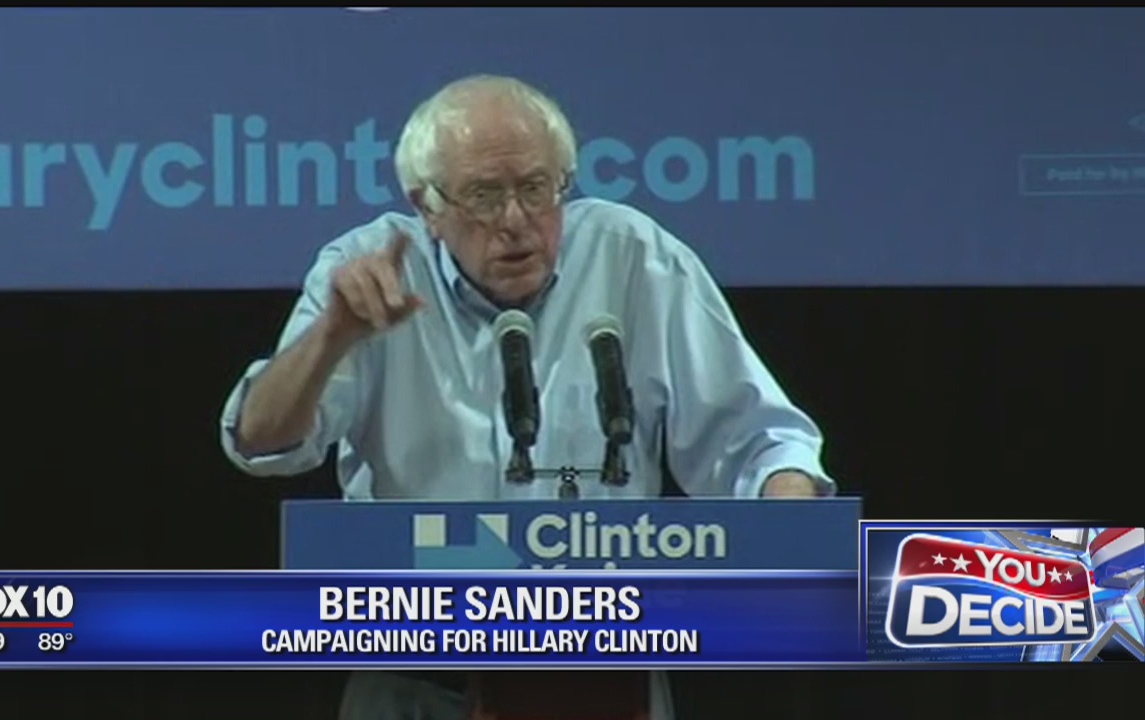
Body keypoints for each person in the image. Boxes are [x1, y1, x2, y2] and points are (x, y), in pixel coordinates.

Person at [220, 74, 834, 720]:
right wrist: (331, 337)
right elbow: (261, 439)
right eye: (484, 196)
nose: (515, 221)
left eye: (537, 189)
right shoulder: (369, 271)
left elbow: (760, 441)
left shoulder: (637, 260)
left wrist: (788, 529)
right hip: (415, 673)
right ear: (427, 205)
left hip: (602, 669)